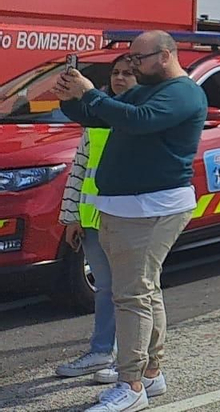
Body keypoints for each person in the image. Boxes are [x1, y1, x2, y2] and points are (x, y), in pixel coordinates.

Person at [55, 31, 207, 412]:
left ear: (165, 55)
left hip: (149, 209)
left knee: (131, 296)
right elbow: (100, 115)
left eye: (139, 59)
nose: (134, 66)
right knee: (144, 290)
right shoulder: (148, 89)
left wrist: (90, 93)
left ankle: (131, 384)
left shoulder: (182, 93)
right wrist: (71, 97)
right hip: (129, 209)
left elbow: (139, 121)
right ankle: (150, 374)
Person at [52, 55, 137, 381]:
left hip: (127, 219)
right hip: (93, 220)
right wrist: (72, 217)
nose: (119, 78)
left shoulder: (140, 116)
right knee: (106, 289)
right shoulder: (97, 114)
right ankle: (102, 352)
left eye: (128, 73)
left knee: (131, 292)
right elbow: (80, 168)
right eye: (115, 72)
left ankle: (129, 360)